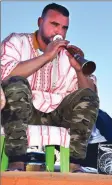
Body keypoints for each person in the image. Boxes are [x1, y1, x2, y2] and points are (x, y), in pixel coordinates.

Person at [0, 3, 99, 172]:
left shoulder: (68, 54)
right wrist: (47, 56)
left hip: (56, 114)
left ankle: (74, 164)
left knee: (87, 96)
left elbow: (90, 93)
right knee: (16, 83)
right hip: (22, 110)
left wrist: (78, 70)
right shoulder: (16, 41)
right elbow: (6, 75)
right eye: (54, 24)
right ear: (40, 22)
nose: (59, 32)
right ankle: (16, 162)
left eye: (64, 28)